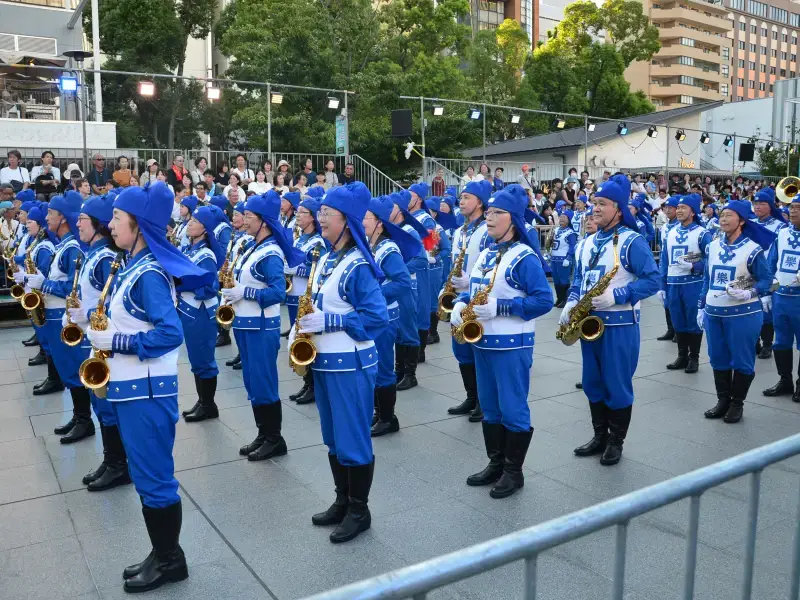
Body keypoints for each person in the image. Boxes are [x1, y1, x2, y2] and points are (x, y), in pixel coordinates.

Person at [83, 183, 211, 592]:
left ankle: (171, 560)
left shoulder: (150, 273)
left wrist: (117, 342)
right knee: (144, 475)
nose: (112, 224)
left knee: (155, 477)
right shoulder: (131, 265)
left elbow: (170, 333)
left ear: (138, 226)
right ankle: (162, 551)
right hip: (130, 389)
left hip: (147, 392)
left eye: (118, 219)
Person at [292, 183, 388, 544]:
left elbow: (376, 319)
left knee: (352, 439)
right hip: (325, 363)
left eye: (327, 215)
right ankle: (343, 500)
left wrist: (332, 322)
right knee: (332, 438)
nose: (320, 219)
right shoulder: (325, 257)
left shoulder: (358, 265)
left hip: (351, 365)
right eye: (320, 214)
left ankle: (359, 511)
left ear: (346, 222)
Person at [451, 184, 551, 498]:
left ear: (514, 219)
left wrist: (502, 307)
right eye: (490, 212)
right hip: (482, 343)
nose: (490, 218)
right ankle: (495, 463)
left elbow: (544, 300)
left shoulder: (524, 257)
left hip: (512, 346)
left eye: (498, 213)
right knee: (491, 409)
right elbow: (474, 290)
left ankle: (513, 471)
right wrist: (460, 304)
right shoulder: (485, 253)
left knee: (512, 409)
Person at [564, 174, 659, 465]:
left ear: (618, 208)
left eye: (602, 204)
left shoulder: (632, 241)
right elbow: (578, 278)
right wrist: (570, 303)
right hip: (588, 323)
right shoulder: (586, 243)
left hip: (619, 325)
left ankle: (616, 441)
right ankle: (599, 435)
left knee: (617, 384)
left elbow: (653, 279)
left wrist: (618, 295)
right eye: (594, 203)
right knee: (592, 382)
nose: (595, 209)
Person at [223, 190, 305, 461]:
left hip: (260, 326)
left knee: (264, 382)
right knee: (252, 382)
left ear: (264, 221)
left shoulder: (269, 252)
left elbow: (278, 292)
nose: (244, 219)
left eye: (248, 215)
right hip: (246, 324)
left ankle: (274, 438)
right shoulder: (253, 246)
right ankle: (263, 433)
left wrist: (245, 293)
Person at [62, 193, 132, 491]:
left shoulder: (105, 257)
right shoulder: (91, 253)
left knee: (105, 406)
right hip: (92, 336)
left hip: (102, 338)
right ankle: (111, 460)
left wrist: (86, 313)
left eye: (82, 219)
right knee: (99, 403)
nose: (76, 222)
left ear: (98, 225)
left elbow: (113, 302)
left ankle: (118, 465)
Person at [697, 201, 775, 423]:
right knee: (717, 358)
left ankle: (737, 403)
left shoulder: (753, 249)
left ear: (741, 220)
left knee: (741, 359)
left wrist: (750, 293)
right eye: (722, 215)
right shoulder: (712, 246)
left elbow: (767, 279)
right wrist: (701, 306)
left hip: (743, 313)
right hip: (714, 313)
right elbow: (707, 279)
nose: (723, 219)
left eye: (729, 215)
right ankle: (723, 400)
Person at [32, 193, 95, 446]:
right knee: (67, 369)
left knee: (71, 366)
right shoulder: (63, 245)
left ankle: (84, 420)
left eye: (51, 214)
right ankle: (79, 415)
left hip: (64, 315)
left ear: (63, 218)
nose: (47, 218)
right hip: (55, 314)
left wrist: (43, 284)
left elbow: (73, 287)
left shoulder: (71, 248)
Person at [364, 194, 421, 436]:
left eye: (366, 217)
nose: (361, 221)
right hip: (374, 315)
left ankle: (389, 418)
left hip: (385, 317)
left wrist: (375, 293)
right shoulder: (369, 244)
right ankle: (379, 412)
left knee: (384, 367)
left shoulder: (387, 249)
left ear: (379, 222)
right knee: (375, 366)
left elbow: (402, 282)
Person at [443, 180, 492, 421]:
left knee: (477, 350)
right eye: (460, 197)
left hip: (479, 297)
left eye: (467, 198)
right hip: (459, 298)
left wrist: (470, 282)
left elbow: (493, 264)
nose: (461, 202)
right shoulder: (461, 230)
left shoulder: (486, 230)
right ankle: (471, 397)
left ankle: (484, 401)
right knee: (461, 348)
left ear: (480, 202)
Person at [179, 205, 226, 423]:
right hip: (191, 312)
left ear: (205, 229)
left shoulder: (205, 254)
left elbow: (209, 286)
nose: (191, 223)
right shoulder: (191, 248)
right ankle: (202, 400)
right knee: (196, 359)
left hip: (201, 313)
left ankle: (209, 405)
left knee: (204, 360)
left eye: (196, 221)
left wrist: (183, 285)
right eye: (192, 219)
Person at [659, 194, 712, 374]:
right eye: (678, 208)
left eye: (683, 208)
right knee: (678, 320)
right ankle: (682, 355)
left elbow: (712, 260)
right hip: (673, 283)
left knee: (692, 321)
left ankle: (694, 358)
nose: (679, 211)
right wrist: (662, 285)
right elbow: (664, 261)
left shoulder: (702, 234)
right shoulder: (671, 232)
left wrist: (694, 266)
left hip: (693, 284)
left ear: (693, 211)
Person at [285, 195, 326, 405]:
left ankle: (313, 385)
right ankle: (307, 382)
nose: (298, 216)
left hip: (306, 295)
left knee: (307, 337)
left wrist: (294, 269)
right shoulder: (300, 238)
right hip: (294, 295)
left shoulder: (318, 241)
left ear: (312, 218)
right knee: (299, 337)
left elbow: (316, 269)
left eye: (302, 213)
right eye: (298, 212)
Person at [388, 192, 427, 393]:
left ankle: (410, 375)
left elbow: (421, 260)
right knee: (398, 330)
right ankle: (399, 371)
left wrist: (399, 270)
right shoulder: (393, 229)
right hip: (397, 285)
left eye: (392, 207)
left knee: (408, 329)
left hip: (407, 286)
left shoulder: (409, 231)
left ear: (401, 210)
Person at [763, 194, 800, 402]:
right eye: (792, 207)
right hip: (781, 297)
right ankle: (784, 380)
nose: (793, 211)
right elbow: (771, 265)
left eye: (798, 208)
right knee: (781, 341)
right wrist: (768, 293)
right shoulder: (782, 233)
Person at [751, 187, 787, 360]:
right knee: (751, 308)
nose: (757, 207)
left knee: (766, 311)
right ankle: (754, 342)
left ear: (770, 206)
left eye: (762, 204)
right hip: (750, 272)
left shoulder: (780, 226)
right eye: (755, 203)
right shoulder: (750, 223)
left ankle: (767, 344)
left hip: (769, 273)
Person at [405, 183, 437, 372]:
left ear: (419, 198)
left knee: (422, 306)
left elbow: (431, 244)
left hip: (421, 266)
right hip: (408, 267)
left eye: (411, 195)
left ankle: (420, 350)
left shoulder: (425, 219)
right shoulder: (407, 217)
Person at [422, 197, 453, 348]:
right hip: (422, 268)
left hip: (434, 269)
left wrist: (436, 258)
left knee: (432, 300)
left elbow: (446, 249)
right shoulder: (420, 226)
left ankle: (433, 332)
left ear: (434, 214)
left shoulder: (437, 229)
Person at [657, 196, 680, 342]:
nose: (667, 210)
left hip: (678, 266)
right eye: (666, 207)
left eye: (671, 208)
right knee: (665, 298)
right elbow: (660, 244)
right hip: (665, 264)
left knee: (676, 301)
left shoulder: (680, 226)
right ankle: (670, 329)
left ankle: (679, 330)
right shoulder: (665, 226)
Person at [550, 211, 578, 308]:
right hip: (554, 258)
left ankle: (565, 299)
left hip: (563, 259)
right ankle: (559, 298)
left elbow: (572, 246)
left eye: (564, 218)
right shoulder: (556, 230)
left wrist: (569, 257)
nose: (561, 219)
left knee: (563, 280)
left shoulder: (570, 233)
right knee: (556, 280)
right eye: (560, 217)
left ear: (569, 220)